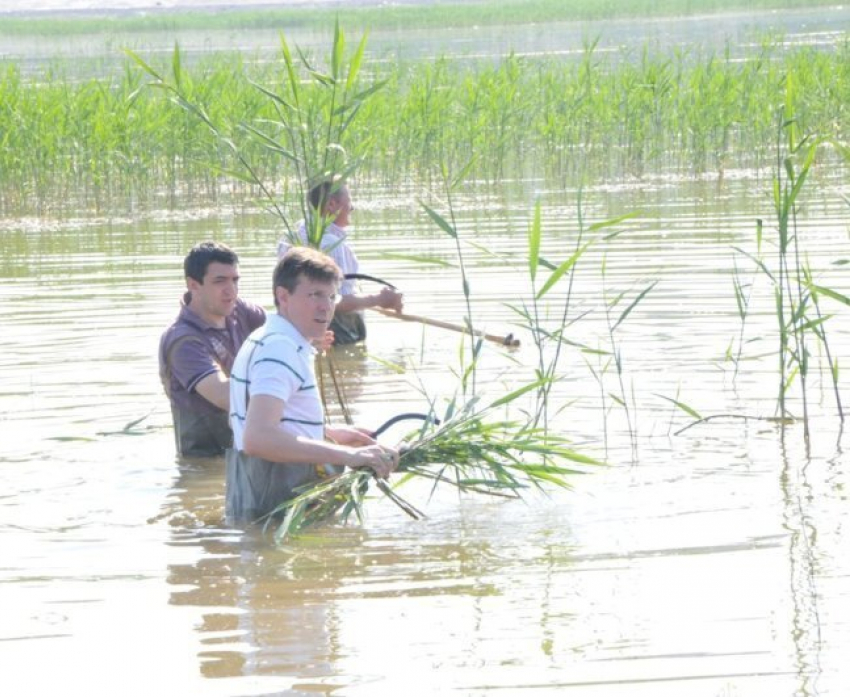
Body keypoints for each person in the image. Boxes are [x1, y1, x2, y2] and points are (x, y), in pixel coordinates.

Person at [226, 246, 399, 524]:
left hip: (258, 502)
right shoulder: (279, 349)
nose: (326, 306)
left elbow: (267, 423)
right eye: (314, 295)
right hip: (279, 508)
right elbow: (258, 438)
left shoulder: (265, 337)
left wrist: (326, 432)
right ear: (283, 296)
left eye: (331, 296)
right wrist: (350, 455)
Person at [159, 241, 266, 457]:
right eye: (220, 281)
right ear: (193, 285)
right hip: (207, 461)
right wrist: (282, 385)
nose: (231, 291)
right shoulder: (183, 341)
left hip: (249, 446)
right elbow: (224, 396)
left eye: (235, 280)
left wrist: (304, 338)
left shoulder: (241, 311)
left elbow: (282, 332)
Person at [277, 178, 404, 344]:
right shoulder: (331, 243)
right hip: (334, 332)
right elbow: (336, 301)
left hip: (293, 331)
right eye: (349, 200)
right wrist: (379, 300)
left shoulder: (290, 236)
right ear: (331, 205)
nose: (352, 207)